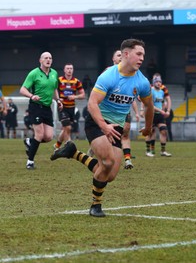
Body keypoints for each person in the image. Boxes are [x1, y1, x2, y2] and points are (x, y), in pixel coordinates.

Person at [50, 38, 154, 217]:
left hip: (117, 128)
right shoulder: (109, 76)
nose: (142, 58)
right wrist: (104, 126)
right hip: (97, 122)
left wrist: (149, 127)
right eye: (138, 54)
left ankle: (73, 152)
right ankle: (95, 206)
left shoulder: (142, 82)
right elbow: (92, 103)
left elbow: (149, 106)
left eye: (143, 54)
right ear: (126, 54)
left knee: (110, 174)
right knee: (106, 162)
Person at [20, 52, 62, 169]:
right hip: (35, 106)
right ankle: (30, 162)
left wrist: (58, 100)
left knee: (48, 137)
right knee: (39, 134)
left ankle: (30, 141)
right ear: (40, 60)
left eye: (50, 58)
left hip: (47, 108)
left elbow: (54, 89)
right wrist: (32, 96)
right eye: (46, 58)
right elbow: (22, 89)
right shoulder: (34, 73)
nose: (48, 60)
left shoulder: (54, 73)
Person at [53, 63, 85, 150]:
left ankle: (57, 145)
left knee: (66, 129)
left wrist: (75, 96)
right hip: (62, 107)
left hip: (72, 108)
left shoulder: (76, 81)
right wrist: (58, 99)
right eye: (67, 68)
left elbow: (83, 95)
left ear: (73, 70)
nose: (69, 70)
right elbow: (53, 91)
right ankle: (69, 146)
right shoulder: (59, 80)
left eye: (71, 68)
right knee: (68, 127)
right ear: (64, 70)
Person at [143, 73, 172, 157]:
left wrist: (166, 110)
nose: (158, 83)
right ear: (153, 82)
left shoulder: (162, 91)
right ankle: (149, 151)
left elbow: (164, 101)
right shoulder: (151, 91)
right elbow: (150, 104)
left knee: (164, 131)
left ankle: (163, 151)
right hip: (151, 114)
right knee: (150, 132)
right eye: (157, 82)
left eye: (160, 82)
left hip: (159, 115)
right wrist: (161, 110)